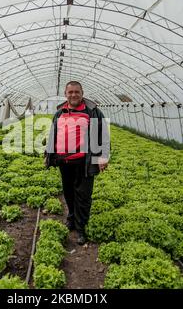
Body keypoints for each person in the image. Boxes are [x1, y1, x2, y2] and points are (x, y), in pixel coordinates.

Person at [44, 81, 110, 245]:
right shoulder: (60, 113)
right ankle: (72, 219)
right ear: (65, 94)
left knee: (84, 195)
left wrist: (103, 157)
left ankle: (81, 228)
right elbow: (53, 133)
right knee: (68, 192)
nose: (73, 95)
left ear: (82, 93)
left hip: (84, 162)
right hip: (64, 161)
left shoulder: (92, 112)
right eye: (70, 92)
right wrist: (49, 154)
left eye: (76, 92)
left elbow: (104, 135)